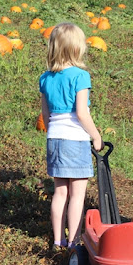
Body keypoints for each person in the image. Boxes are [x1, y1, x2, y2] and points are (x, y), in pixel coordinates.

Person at [39, 23, 103, 253]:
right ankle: (74, 241)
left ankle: (58, 240)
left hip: (54, 139)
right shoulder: (81, 76)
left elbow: (45, 115)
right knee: (77, 194)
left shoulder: (45, 78)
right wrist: (96, 136)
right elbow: (82, 113)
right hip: (75, 141)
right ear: (77, 49)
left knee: (60, 192)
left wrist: (52, 132)